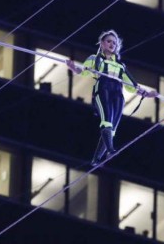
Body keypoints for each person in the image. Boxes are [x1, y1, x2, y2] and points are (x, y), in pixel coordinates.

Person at [67, 30, 157, 166]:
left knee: (112, 129)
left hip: (118, 95)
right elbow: (84, 72)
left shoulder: (121, 66)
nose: (112, 44)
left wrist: (147, 94)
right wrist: (74, 68)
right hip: (103, 89)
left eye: (114, 43)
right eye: (109, 41)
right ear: (102, 44)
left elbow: (133, 86)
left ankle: (97, 159)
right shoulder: (94, 59)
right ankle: (110, 150)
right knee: (106, 121)